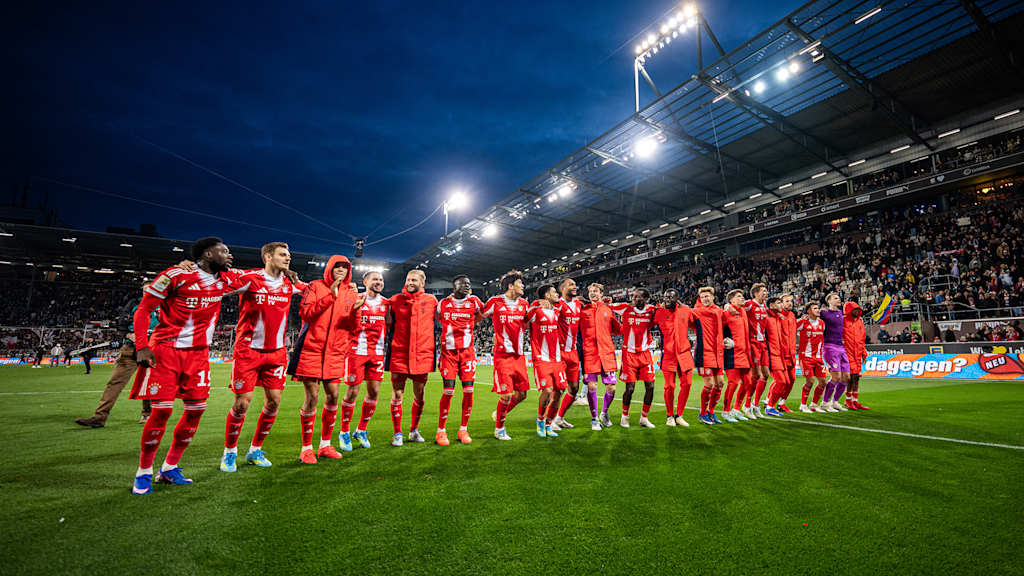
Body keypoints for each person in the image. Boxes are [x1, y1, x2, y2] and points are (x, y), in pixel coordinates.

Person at [128, 237, 242, 495]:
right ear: (208, 253)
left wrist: (285, 272)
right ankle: (143, 472)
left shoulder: (226, 280)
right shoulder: (175, 275)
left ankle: (169, 467)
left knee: (196, 411)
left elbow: (259, 276)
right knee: (161, 412)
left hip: (199, 354)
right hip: (166, 350)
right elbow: (143, 310)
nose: (230, 256)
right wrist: (142, 346)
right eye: (225, 251)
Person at [220, 242, 307, 472]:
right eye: (282, 255)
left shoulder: (289, 283)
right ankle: (230, 452)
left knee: (274, 401)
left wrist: (298, 281)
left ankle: (255, 449)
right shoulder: (250, 278)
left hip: (277, 353)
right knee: (241, 404)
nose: (288, 258)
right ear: (268, 256)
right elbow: (219, 280)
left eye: (289, 255)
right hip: (248, 351)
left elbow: (314, 291)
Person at [288, 254, 358, 463]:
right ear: (329, 269)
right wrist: (331, 296)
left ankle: (325, 445)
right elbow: (306, 314)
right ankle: (306, 448)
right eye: (337, 267)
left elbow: (353, 328)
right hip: (311, 349)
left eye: (344, 268)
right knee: (312, 397)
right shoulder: (315, 286)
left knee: (334, 396)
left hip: (335, 353)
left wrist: (355, 312)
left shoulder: (351, 293)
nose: (341, 270)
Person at [75, 284, 158, 428]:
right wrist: (126, 334)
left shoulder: (163, 304)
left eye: (150, 290)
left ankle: (148, 414)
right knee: (115, 383)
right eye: (145, 290)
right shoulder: (133, 304)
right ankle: (99, 417)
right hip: (130, 349)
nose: (147, 293)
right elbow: (121, 323)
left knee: (150, 383)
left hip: (152, 349)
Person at [339, 271, 390, 450]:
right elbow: (342, 320)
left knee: (374, 392)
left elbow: (390, 324)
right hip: (356, 351)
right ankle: (344, 431)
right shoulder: (356, 299)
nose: (378, 282)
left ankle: (361, 429)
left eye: (381, 279)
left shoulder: (386, 303)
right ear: (365, 282)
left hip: (377, 353)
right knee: (352, 392)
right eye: (375, 279)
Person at [386, 269, 438, 446]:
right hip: (400, 354)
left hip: (423, 355)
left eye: (414, 280)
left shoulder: (431, 301)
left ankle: (414, 430)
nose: (410, 282)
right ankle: (397, 433)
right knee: (397, 394)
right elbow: (387, 324)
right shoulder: (395, 300)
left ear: (422, 283)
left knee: (420, 396)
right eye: (408, 279)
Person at [435, 275, 484, 445]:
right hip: (449, 353)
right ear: (453, 285)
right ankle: (441, 431)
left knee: (469, 391)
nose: (467, 286)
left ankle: (463, 429)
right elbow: (438, 318)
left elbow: (480, 315)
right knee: (448, 391)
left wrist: (468, 323)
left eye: (469, 284)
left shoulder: (475, 302)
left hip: (468, 353)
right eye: (463, 284)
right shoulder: (442, 304)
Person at [482, 270, 530, 440]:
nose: (523, 286)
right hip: (502, 356)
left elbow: (531, 321)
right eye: (520, 283)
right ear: (511, 286)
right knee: (507, 394)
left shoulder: (525, 304)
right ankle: (499, 429)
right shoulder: (495, 302)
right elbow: (477, 316)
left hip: (519, 356)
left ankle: (499, 413)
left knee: (522, 394)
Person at [608, 288, 657, 428]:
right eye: (633, 297)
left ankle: (644, 418)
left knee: (650, 386)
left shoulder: (652, 310)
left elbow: (666, 311)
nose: (634, 299)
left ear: (646, 299)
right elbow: (604, 305)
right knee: (630, 388)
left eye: (638, 297)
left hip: (645, 354)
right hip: (628, 354)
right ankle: (625, 416)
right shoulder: (625, 309)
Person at [578, 282, 620, 431]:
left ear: (602, 293)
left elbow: (618, 329)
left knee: (611, 388)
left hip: (607, 354)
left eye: (596, 291)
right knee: (592, 386)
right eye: (591, 291)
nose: (593, 294)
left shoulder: (608, 310)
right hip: (590, 354)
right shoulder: (583, 310)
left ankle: (604, 413)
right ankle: (594, 418)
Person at [527, 284, 567, 437]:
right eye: (554, 292)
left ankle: (549, 423)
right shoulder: (536, 311)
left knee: (560, 391)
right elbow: (524, 320)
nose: (557, 294)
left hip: (557, 360)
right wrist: (535, 303)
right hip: (541, 359)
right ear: (546, 296)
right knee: (548, 390)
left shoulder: (557, 311)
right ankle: (540, 421)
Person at [653, 288, 695, 427]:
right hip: (669, 355)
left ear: (677, 298)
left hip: (684, 354)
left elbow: (698, 324)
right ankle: (669, 415)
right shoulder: (658, 312)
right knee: (669, 386)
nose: (667, 299)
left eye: (670, 297)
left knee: (687, 384)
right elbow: (645, 324)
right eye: (665, 297)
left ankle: (679, 415)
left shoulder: (686, 310)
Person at [551, 279, 583, 430]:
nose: (574, 286)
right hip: (560, 353)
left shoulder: (578, 304)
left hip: (573, 353)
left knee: (574, 388)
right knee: (558, 389)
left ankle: (560, 418)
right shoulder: (557, 305)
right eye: (571, 284)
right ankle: (548, 420)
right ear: (563, 288)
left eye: (574, 284)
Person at [692, 287, 726, 425]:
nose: (705, 298)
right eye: (703, 296)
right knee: (710, 384)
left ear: (713, 297)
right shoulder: (696, 312)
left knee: (720, 384)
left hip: (718, 353)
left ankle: (711, 412)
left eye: (707, 296)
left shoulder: (719, 311)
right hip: (704, 353)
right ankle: (702, 413)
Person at [721, 289, 752, 423]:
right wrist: (723, 341)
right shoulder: (726, 313)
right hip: (732, 354)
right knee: (733, 383)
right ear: (731, 300)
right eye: (739, 296)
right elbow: (717, 328)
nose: (742, 298)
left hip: (744, 353)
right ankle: (726, 411)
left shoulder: (743, 310)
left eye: (742, 296)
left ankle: (736, 409)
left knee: (748, 383)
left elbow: (757, 302)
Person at [742, 283, 771, 418]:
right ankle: (746, 405)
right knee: (756, 375)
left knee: (765, 375)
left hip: (763, 344)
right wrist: (727, 306)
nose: (766, 293)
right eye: (763, 291)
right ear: (756, 293)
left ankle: (755, 403)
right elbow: (735, 306)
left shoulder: (764, 306)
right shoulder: (749, 304)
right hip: (752, 343)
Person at [820, 293, 850, 412]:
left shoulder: (840, 313)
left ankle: (835, 402)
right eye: (835, 298)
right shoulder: (824, 313)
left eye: (839, 298)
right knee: (836, 377)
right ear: (829, 301)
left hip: (841, 347)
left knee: (846, 377)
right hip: (829, 347)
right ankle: (825, 403)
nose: (839, 300)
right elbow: (812, 314)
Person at [795, 302, 828, 413]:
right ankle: (803, 405)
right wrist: (799, 319)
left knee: (823, 382)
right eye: (815, 308)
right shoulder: (803, 322)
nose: (818, 310)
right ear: (808, 311)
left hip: (818, 358)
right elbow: (790, 327)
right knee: (810, 381)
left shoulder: (822, 323)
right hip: (806, 357)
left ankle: (813, 405)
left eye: (818, 308)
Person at [761, 297, 788, 417]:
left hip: (779, 354)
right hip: (770, 354)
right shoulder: (766, 317)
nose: (781, 305)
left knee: (785, 382)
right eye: (778, 303)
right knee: (781, 381)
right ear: (771, 305)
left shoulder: (778, 318)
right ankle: (769, 406)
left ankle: (768, 403)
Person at [843, 300, 870, 410]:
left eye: (858, 309)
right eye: (854, 309)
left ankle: (855, 400)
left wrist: (864, 353)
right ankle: (848, 400)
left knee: (857, 378)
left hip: (857, 353)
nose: (857, 311)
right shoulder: (843, 321)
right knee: (851, 377)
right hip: (847, 352)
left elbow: (862, 339)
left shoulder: (860, 321)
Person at [775, 294, 798, 413]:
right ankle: (770, 401)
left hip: (792, 353)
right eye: (787, 301)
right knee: (782, 381)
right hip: (781, 354)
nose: (790, 303)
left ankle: (781, 402)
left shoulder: (792, 315)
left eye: (791, 301)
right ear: (781, 303)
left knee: (792, 379)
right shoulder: (777, 316)